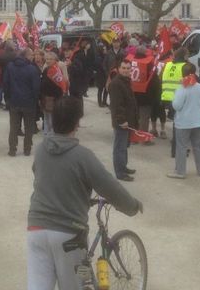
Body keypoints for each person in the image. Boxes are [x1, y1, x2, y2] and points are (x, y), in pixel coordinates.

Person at [26, 96, 143, 290]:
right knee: (76, 284)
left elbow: (40, 176)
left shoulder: (40, 151)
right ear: (76, 123)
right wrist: (132, 206)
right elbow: (110, 188)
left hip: (36, 230)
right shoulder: (83, 156)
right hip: (68, 236)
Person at [168, 63, 200, 179]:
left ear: (182, 73)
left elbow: (177, 106)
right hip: (199, 122)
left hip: (184, 123)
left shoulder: (182, 88)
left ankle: (180, 171)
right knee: (199, 146)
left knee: (181, 147)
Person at [3, 48, 40, 157]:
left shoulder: (9, 67)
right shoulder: (32, 69)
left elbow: (5, 84)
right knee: (29, 127)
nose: (33, 57)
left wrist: (8, 99)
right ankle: (27, 149)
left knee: (13, 127)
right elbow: (36, 87)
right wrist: (35, 100)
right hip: (28, 103)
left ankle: (12, 150)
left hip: (14, 102)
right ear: (27, 56)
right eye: (32, 55)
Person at [108, 60, 138, 181]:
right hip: (122, 122)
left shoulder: (125, 81)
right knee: (119, 147)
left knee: (124, 146)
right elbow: (116, 105)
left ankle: (123, 166)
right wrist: (121, 120)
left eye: (128, 68)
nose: (126, 70)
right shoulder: (116, 84)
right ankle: (120, 172)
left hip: (127, 120)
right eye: (123, 68)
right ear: (119, 69)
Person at [160, 47, 188, 158]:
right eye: (187, 54)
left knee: (177, 125)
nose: (188, 56)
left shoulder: (168, 65)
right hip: (179, 99)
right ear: (184, 56)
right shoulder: (184, 67)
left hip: (168, 98)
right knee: (180, 126)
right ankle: (177, 150)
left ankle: (177, 149)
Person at [126, 45, 155, 134]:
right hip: (145, 95)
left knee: (132, 115)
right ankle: (143, 137)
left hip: (131, 93)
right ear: (145, 53)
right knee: (144, 117)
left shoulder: (129, 61)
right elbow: (152, 79)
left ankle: (133, 135)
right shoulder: (148, 63)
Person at [40, 52, 66, 135]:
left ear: (55, 60)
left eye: (50, 59)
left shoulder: (55, 70)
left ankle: (52, 132)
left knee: (51, 116)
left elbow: (60, 85)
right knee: (46, 115)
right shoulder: (46, 69)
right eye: (47, 59)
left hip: (53, 97)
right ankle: (46, 131)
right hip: (46, 96)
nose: (48, 61)